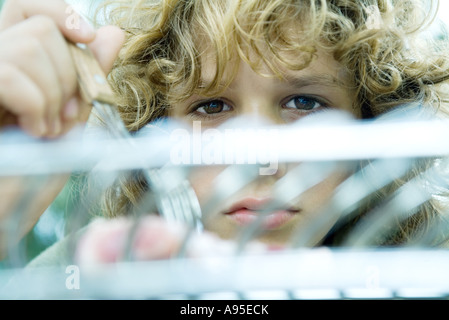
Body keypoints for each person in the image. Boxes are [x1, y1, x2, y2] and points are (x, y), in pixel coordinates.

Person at [1, 0, 449, 267]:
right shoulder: (89, 274)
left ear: (368, 129)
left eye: (304, 103)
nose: (257, 160)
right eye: (212, 107)